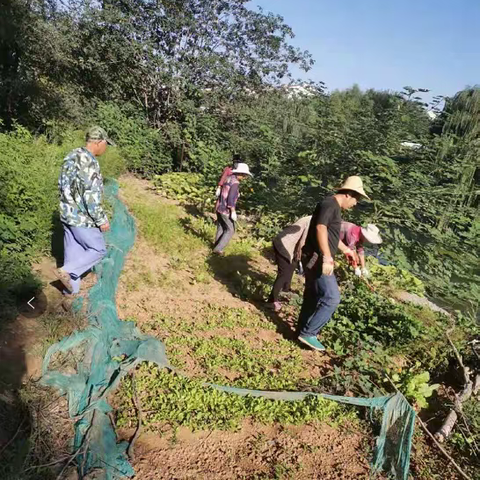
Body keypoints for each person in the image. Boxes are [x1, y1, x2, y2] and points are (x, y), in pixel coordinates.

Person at [297, 176, 369, 351]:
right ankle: (308, 333)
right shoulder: (330, 204)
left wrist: (346, 250)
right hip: (317, 257)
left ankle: (301, 331)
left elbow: (330, 234)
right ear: (348, 194)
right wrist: (327, 257)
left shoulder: (333, 207)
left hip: (315, 256)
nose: (355, 204)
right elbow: (320, 228)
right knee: (332, 298)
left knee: (313, 297)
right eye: (356, 199)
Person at [55, 126, 114, 297]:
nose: (106, 147)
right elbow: (91, 198)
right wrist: (101, 220)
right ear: (99, 142)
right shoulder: (90, 164)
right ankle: (66, 271)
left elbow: (62, 184)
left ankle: (69, 294)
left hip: (67, 213)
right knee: (98, 250)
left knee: (73, 254)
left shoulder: (72, 155)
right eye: (106, 143)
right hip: (82, 218)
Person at [268, 216, 312, 312]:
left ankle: (286, 290)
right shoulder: (312, 221)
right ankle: (272, 301)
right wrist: (300, 257)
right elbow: (302, 242)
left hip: (284, 242)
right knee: (283, 273)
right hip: (284, 244)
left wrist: (296, 259)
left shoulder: (310, 218)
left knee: (292, 266)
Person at [213, 162, 252, 254]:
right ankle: (218, 249)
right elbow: (230, 198)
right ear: (240, 173)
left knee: (221, 227)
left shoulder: (228, 178)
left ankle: (216, 246)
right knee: (231, 230)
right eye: (244, 175)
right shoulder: (235, 183)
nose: (244, 178)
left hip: (219, 206)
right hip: (226, 210)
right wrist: (233, 211)